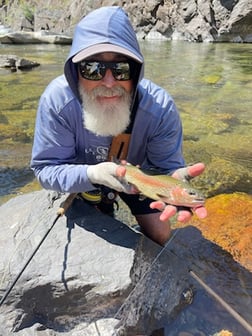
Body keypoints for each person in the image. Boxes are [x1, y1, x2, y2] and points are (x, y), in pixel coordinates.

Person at [31, 6, 207, 246]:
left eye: (121, 69)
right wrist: (92, 174)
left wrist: (174, 183)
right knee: (98, 227)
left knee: (161, 233)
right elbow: (46, 169)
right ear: (75, 72)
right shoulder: (57, 101)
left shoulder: (160, 108)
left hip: (141, 181)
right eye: (92, 69)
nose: (109, 81)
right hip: (83, 178)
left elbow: (166, 170)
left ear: (135, 72)